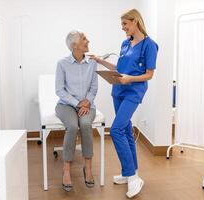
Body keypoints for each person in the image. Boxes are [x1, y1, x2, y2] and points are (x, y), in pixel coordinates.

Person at [89, 9, 158, 198]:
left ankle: (133, 177)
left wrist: (130, 79)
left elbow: (150, 74)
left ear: (135, 22)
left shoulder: (149, 45)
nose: (123, 28)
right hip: (118, 90)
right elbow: (119, 68)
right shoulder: (125, 43)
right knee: (126, 130)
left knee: (117, 129)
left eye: (125, 24)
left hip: (133, 91)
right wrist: (100, 61)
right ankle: (131, 171)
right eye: (122, 25)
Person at [55, 30, 98, 192]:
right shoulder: (62, 63)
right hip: (66, 105)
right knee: (73, 126)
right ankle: (66, 170)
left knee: (86, 124)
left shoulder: (93, 63)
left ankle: (88, 168)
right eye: (84, 39)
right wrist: (77, 103)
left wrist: (87, 101)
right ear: (75, 45)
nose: (88, 41)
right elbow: (59, 90)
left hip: (87, 105)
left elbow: (94, 87)